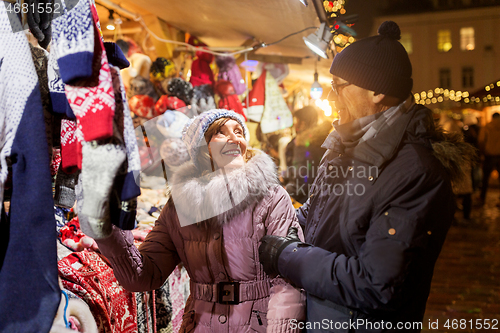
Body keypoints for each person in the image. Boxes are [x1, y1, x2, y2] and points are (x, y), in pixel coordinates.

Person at [258, 21, 473, 332]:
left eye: (338, 86)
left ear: (376, 91)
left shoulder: (417, 172)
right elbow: (313, 217)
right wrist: (264, 220)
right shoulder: (343, 147)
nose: (330, 98)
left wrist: (286, 256)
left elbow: (376, 284)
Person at [88, 109, 305, 332]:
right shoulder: (179, 206)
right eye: (220, 133)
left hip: (258, 324)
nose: (234, 138)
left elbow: (288, 279)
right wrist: (108, 225)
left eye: (239, 132)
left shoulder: (271, 196)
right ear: (202, 149)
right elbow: (142, 276)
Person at [282, 106, 332, 204]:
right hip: (318, 200)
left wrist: (283, 194)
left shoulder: (304, 144)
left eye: (296, 121)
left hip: (302, 202)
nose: (294, 124)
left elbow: (301, 180)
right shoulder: (322, 141)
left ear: (303, 123)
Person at [478, 112, 500, 205]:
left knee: (485, 179)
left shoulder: (487, 127)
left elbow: (481, 141)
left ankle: (482, 198)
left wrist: (482, 153)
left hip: (489, 155)